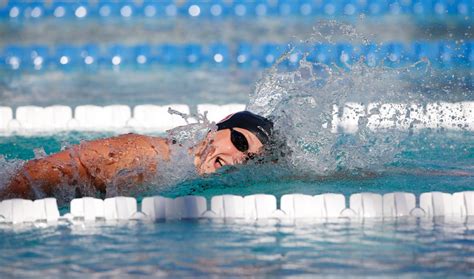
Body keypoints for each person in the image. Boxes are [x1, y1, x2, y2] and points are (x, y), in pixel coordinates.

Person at [0, 111, 273, 200]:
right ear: (216, 128)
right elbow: (38, 173)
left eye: (250, 160)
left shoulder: (209, 186)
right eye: (239, 141)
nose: (237, 158)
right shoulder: (151, 154)